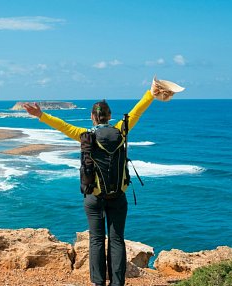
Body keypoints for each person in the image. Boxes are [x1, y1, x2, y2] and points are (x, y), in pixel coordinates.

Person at [23, 77, 184, 286]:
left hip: (93, 197)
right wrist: (150, 93)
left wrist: (41, 115)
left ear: (92, 117)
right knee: (117, 240)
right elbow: (137, 112)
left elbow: (62, 126)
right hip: (118, 196)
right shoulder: (121, 130)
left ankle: (98, 283)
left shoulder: (84, 135)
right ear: (109, 117)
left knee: (96, 240)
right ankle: (117, 283)